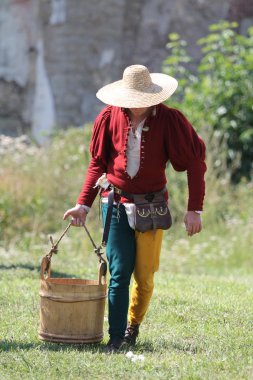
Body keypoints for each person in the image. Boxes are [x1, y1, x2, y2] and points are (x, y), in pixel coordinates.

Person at [63, 64, 206, 353]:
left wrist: (195, 210)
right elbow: (97, 164)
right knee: (119, 273)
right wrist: (82, 205)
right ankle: (116, 338)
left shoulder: (171, 120)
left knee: (145, 275)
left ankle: (133, 326)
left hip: (152, 207)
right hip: (114, 203)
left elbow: (194, 163)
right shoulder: (107, 117)